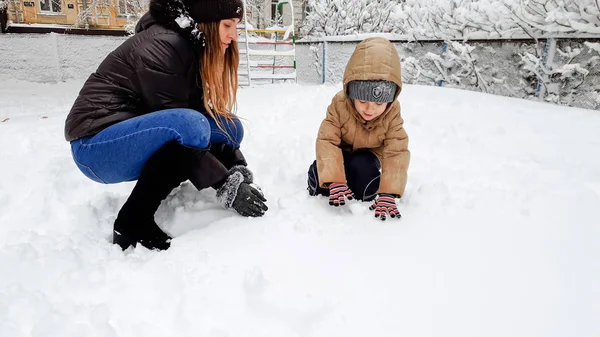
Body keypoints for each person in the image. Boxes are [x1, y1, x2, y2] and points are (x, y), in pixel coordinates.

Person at [64, 0, 268, 251]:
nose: (233, 36)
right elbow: (183, 131)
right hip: (95, 146)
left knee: (230, 128)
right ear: (206, 23)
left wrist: (236, 166)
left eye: (236, 26)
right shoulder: (165, 44)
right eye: (227, 25)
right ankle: (132, 221)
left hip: (128, 133)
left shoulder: (188, 45)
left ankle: (138, 216)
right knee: (191, 126)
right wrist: (227, 185)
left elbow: (193, 119)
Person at [307, 37, 410, 221]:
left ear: (390, 99)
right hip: (343, 152)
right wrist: (334, 179)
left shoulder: (392, 113)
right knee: (324, 174)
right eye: (362, 101)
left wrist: (389, 193)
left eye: (379, 103)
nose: (370, 109)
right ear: (351, 93)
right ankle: (332, 183)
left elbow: (397, 151)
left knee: (363, 175)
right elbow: (327, 140)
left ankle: (354, 184)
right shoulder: (340, 104)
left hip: (369, 156)